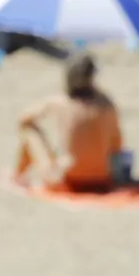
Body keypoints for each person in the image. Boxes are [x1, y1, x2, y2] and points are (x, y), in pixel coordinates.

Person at [14, 53, 123, 192]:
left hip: (69, 179)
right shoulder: (107, 103)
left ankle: (17, 176)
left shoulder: (62, 102)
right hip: (103, 178)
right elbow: (118, 144)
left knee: (29, 130)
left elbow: (23, 119)